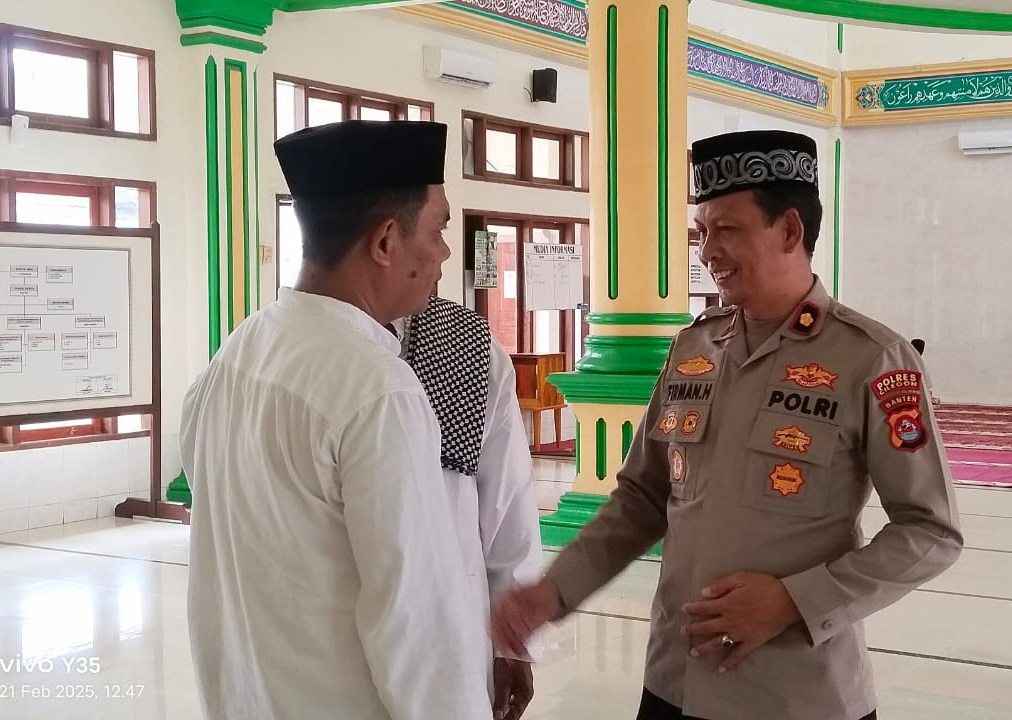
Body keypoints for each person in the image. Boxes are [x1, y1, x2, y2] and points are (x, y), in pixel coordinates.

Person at [492, 130, 964, 720]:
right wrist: (553, 590)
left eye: (727, 230)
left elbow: (931, 531)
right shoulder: (695, 348)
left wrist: (793, 601)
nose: (707, 251)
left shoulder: (870, 358)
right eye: (701, 232)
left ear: (789, 230)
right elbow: (642, 499)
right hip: (673, 684)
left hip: (795, 698)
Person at [179, 120, 492, 720]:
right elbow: (419, 625)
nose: (445, 253)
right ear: (385, 242)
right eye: (439, 229)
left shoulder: (236, 354)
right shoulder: (378, 389)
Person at [391, 292, 542, 720]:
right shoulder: (294, 348)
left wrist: (512, 644)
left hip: (448, 628)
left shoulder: (466, 345)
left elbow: (508, 504)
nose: (443, 259)